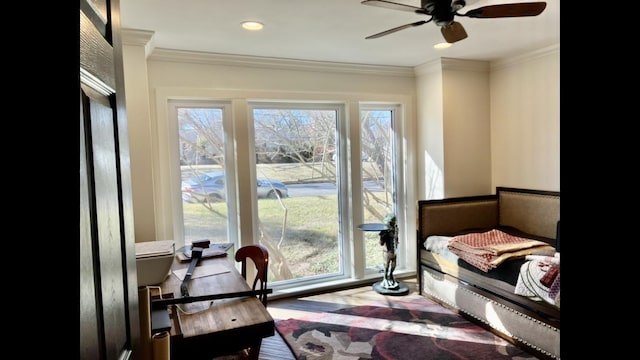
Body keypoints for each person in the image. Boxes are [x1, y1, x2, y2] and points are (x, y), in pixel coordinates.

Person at [378, 213, 399, 289]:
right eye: (390, 223)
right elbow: (381, 243)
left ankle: (391, 276)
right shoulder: (384, 231)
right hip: (387, 251)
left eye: (393, 222)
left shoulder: (396, 229)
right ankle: (385, 278)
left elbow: (396, 239)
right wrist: (383, 236)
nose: (392, 224)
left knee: (393, 265)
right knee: (386, 266)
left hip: (394, 251)